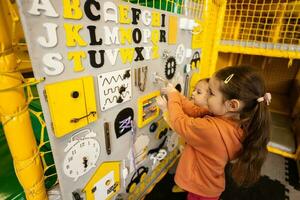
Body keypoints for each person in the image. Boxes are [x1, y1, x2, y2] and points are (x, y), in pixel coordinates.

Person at [156, 66, 271, 200]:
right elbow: (194, 110)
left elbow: (179, 122)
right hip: (208, 185)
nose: (206, 96)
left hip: (201, 188)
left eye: (210, 93)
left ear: (232, 105)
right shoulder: (232, 120)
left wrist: (173, 96)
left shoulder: (212, 130)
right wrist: (176, 94)